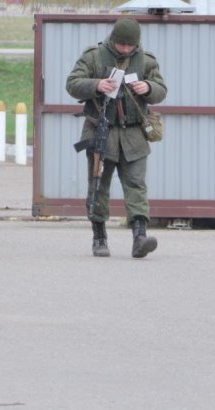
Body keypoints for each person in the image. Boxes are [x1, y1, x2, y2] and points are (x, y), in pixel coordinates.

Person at [65, 17, 167, 259]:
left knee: (136, 186)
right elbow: (72, 84)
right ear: (113, 40)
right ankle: (99, 237)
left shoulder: (146, 60)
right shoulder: (94, 56)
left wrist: (149, 88)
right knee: (98, 186)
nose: (124, 49)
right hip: (101, 131)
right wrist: (97, 84)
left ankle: (140, 237)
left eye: (129, 46)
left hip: (134, 134)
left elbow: (161, 90)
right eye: (120, 44)